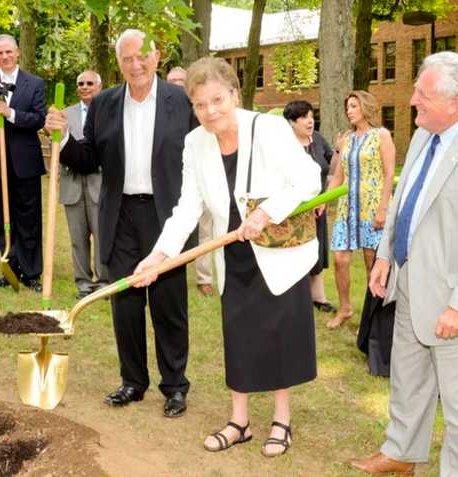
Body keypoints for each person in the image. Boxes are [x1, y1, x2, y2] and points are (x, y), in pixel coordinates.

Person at [133, 57, 320, 457]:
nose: (209, 111)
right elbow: (187, 208)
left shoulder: (268, 128)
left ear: (234, 94)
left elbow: (308, 178)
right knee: (239, 336)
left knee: (278, 335)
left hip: (277, 250)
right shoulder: (195, 142)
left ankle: (281, 420)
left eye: (217, 100)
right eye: (200, 104)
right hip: (229, 251)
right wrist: (158, 255)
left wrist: (267, 212)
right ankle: (240, 422)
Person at [351, 52, 458, 477]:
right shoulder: (426, 134)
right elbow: (405, 201)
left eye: (422, 95)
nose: (412, 101)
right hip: (409, 286)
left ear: (454, 102)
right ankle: (401, 453)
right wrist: (386, 257)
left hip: (455, 302)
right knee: (408, 382)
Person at [45, 29, 197, 417]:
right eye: (127, 58)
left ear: (157, 57)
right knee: (125, 304)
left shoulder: (181, 101)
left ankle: (175, 386)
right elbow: (88, 158)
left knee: (168, 304)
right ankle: (133, 380)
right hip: (119, 215)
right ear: (119, 63)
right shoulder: (105, 103)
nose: (136, 64)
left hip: (167, 216)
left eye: (143, 56)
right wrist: (61, 140)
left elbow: (202, 157)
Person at [0, 34, 47, 292]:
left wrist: (11, 113)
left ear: (17, 53)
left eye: (8, 52)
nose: (4, 56)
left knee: (28, 218)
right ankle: (10, 267)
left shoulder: (34, 83)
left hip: (24, 161)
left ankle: (31, 271)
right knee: (0, 219)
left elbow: (38, 119)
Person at [326, 90, 395, 329]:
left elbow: (389, 174)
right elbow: (338, 176)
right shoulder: (346, 139)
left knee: (371, 263)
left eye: (353, 106)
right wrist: (324, 200)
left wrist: (383, 209)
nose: (349, 111)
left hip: (372, 207)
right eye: (348, 107)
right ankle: (345, 308)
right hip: (347, 209)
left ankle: (373, 315)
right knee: (339, 258)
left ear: (365, 107)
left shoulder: (381, 135)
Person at [284, 100, 336, 314]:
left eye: (312, 116)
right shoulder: (284, 145)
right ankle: (296, 297)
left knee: (318, 250)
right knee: (297, 251)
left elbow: (331, 166)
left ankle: (318, 297)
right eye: (304, 117)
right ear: (292, 122)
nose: (310, 121)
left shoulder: (318, 140)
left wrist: (341, 152)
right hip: (295, 210)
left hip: (319, 207)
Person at [61, 70, 108, 298]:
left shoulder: (108, 112)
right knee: (77, 239)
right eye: (81, 83)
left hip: (99, 184)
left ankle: (103, 282)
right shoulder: (64, 115)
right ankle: (83, 284)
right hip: (72, 185)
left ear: (99, 86)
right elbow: (57, 147)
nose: (85, 87)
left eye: (90, 83)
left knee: (102, 236)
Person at [168, 65, 214, 297]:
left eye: (180, 80)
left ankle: (204, 277)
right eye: (172, 80)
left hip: (200, 179)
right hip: (168, 180)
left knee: (205, 228)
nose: (176, 84)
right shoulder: (161, 110)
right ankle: (167, 266)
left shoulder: (202, 110)